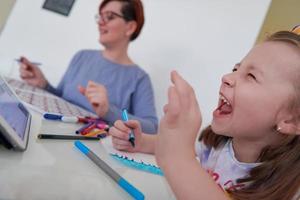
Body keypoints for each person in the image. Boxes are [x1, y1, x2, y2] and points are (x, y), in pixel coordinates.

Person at [109, 30, 300, 200]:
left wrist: (178, 158)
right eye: (236, 69)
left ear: (292, 119)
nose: (227, 77)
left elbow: (180, 153)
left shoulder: (290, 188)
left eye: (251, 76)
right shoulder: (217, 144)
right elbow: (186, 147)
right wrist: (142, 141)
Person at [18, 0, 158, 134]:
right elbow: (61, 98)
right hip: (52, 131)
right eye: (100, 16)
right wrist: (43, 84)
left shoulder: (139, 78)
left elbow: (152, 128)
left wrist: (109, 111)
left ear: (130, 27)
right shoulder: (81, 56)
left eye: (110, 17)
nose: (100, 22)